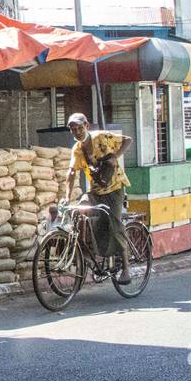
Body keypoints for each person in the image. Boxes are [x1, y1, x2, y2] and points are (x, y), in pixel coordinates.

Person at [64, 112, 133, 284]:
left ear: (86, 126)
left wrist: (114, 158)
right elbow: (72, 172)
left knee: (114, 223)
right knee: (79, 211)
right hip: (96, 190)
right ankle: (86, 252)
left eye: (80, 128)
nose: (77, 132)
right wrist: (66, 198)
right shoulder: (78, 149)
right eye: (73, 129)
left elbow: (127, 140)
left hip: (115, 188)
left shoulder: (101, 137)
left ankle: (126, 268)